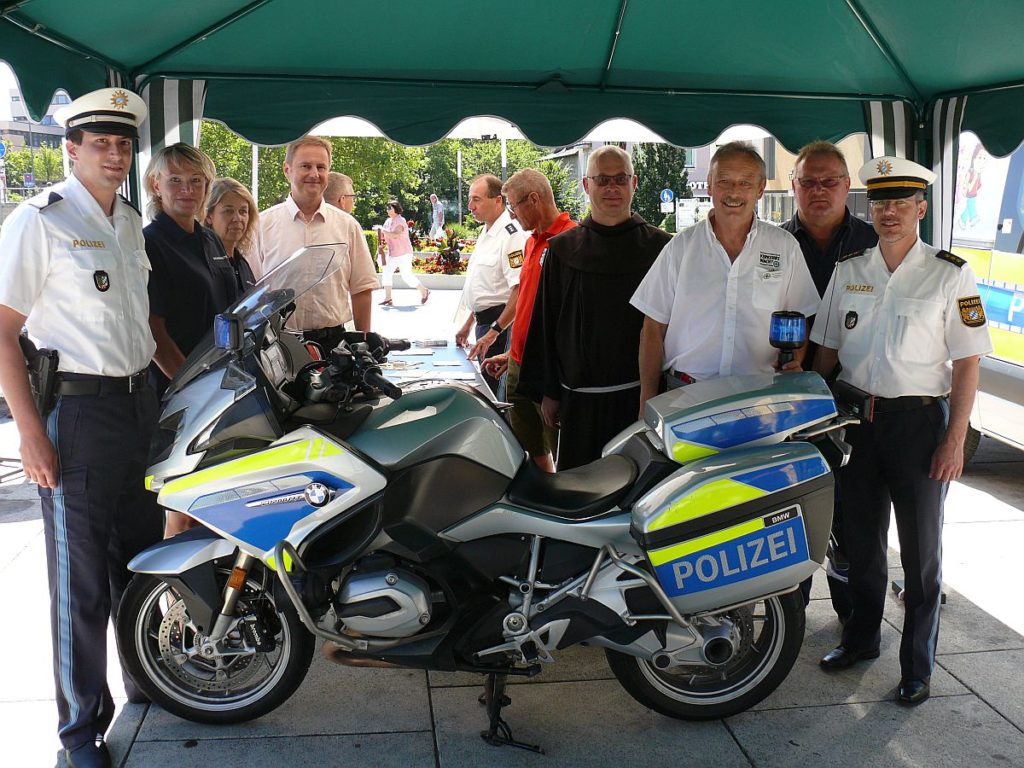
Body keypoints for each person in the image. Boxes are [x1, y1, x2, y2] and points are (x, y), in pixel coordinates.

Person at [0, 87, 161, 768]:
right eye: (102, 143)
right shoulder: (41, 219)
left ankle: (144, 681)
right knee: (81, 584)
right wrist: (32, 433)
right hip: (79, 414)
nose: (116, 155)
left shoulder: (127, 220)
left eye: (124, 144)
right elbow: (4, 331)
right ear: (72, 149)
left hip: (137, 407)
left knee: (139, 562)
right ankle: (79, 733)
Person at [813, 157, 993, 706]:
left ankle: (917, 666)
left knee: (921, 554)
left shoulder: (950, 272)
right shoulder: (850, 269)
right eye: (879, 202)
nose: (888, 213)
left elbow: (967, 362)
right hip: (857, 424)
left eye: (901, 203)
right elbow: (825, 353)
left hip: (920, 426)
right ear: (869, 207)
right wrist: (809, 422)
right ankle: (862, 639)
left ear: (921, 208)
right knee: (861, 546)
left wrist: (954, 440)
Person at [632, 141, 820, 413]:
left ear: (760, 190)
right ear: (709, 185)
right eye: (724, 181)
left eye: (745, 183)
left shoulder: (785, 247)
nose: (734, 192)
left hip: (761, 399)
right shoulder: (680, 248)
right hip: (685, 396)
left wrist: (793, 363)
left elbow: (800, 318)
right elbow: (652, 329)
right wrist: (646, 400)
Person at [519, 146, 670, 470]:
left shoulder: (662, 247)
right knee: (580, 497)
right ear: (587, 185)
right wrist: (549, 391)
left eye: (620, 179)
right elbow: (546, 322)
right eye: (603, 180)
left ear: (635, 183)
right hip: (579, 404)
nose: (612, 188)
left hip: (642, 401)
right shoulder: (562, 249)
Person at [781, 140, 878, 623]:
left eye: (830, 181)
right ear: (794, 186)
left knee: (852, 519)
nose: (819, 190)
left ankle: (852, 621)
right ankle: (790, 617)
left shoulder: (876, 242)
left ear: (847, 186)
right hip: (795, 405)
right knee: (793, 511)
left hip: (860, 403)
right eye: (809, 181)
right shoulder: (773, 244)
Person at [482, 169, 575, 473]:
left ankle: (561, 508)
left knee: (560, 448)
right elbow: (529, 304)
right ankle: (545, 501)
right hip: (519, 363)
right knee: (528, 448)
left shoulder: (571, 241)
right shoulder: (531, 242)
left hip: (549, 370)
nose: (512, 214)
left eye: (514, 206)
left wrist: (554, 382)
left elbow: (566, 319)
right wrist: (511, 354)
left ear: (533, 199)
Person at [253, 136, 378, 351]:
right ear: (287, 170)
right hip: (278, 344)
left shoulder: (348, 226)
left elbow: (361, 289)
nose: (314, 174)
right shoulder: (261, 225)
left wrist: (364, 344)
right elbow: (251, 292)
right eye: (305, 166)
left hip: (335, 345)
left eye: (321, 167)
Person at [144, 146, 248, 397]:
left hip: (219, 380)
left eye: (196, 181)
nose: (187, 190)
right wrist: (192, 385)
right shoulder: (149, 244)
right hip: (179, 390)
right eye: (175, 180)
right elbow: (153, 330)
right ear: (156, 185)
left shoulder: (210, 239)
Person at [455, 174, 528, 394]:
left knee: (498, 394)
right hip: (484, 324)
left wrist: (494, 332)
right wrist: (469, 323)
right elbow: (484, 287)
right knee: (487, 387)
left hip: (501, 327)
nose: (470, 206)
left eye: (477, 199)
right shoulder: (487, 231)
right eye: (470, 200)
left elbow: (519, 288)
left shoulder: (511, 235)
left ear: (498, 200)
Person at [204, 176, 259, 294]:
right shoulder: (202, 263)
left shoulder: (242, 264)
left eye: (243, 211)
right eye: (228, 211)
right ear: (208, 216)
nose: (238, 218)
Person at [377, 199, 429, 306]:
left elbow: (395, 234)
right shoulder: (387, 221)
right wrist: (381, 244)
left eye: (389, 207)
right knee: (386, 272)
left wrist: (382, 230)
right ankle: (388, 298)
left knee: (406, 276)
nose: (387, 209)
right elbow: (384, 236)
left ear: (396, 209)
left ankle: (424, 291)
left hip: (404, 253)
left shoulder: (400, 220)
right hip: (393, 253)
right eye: (387, 208)